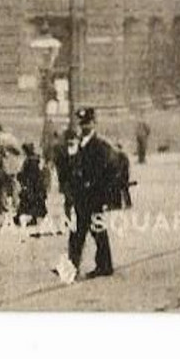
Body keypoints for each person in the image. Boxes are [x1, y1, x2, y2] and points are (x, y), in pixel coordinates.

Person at [60, 108, 115, 280]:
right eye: (82, 123)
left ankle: (103, 265)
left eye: (87, 123)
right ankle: (74, 266)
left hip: (94, 195)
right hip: (81, 195)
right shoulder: (79, 144)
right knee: (80, 231)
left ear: (93, 123)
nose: (84, 126)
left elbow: (106, 170)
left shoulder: (100, 145)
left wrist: (98, 189)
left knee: (95, 231)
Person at [17, 143, 49, 227]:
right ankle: (36, 219)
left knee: (27, 204)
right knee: (38, 204)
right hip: (38, 186)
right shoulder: (38, 160)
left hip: (30, 186)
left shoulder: (28, 161)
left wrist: (21, 179)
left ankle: (27, 219)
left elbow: (23, 174)